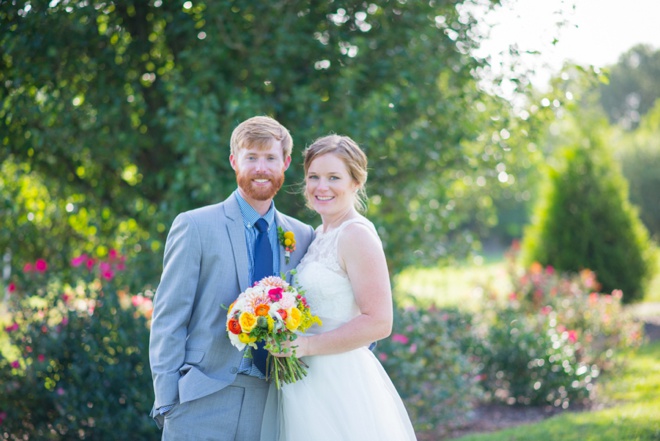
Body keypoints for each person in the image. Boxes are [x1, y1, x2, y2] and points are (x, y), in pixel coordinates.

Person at [149, 115, 315, 441]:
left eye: (270, 158)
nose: (261, 168)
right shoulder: (195, 226)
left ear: (286, 163)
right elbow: (169, 317)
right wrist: (167, 402)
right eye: (251, 157)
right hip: (201, 395)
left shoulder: (302, 234)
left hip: (271, 401)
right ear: (233, 161)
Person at [266, 134, 417, 440]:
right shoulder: (318, 234)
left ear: (355, 182)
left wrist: (306, 346)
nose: (322, 187)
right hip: (306, 381)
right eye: (314, 177)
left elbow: (379, 322)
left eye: (334, 177)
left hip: (340, 380)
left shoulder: (356, 235)